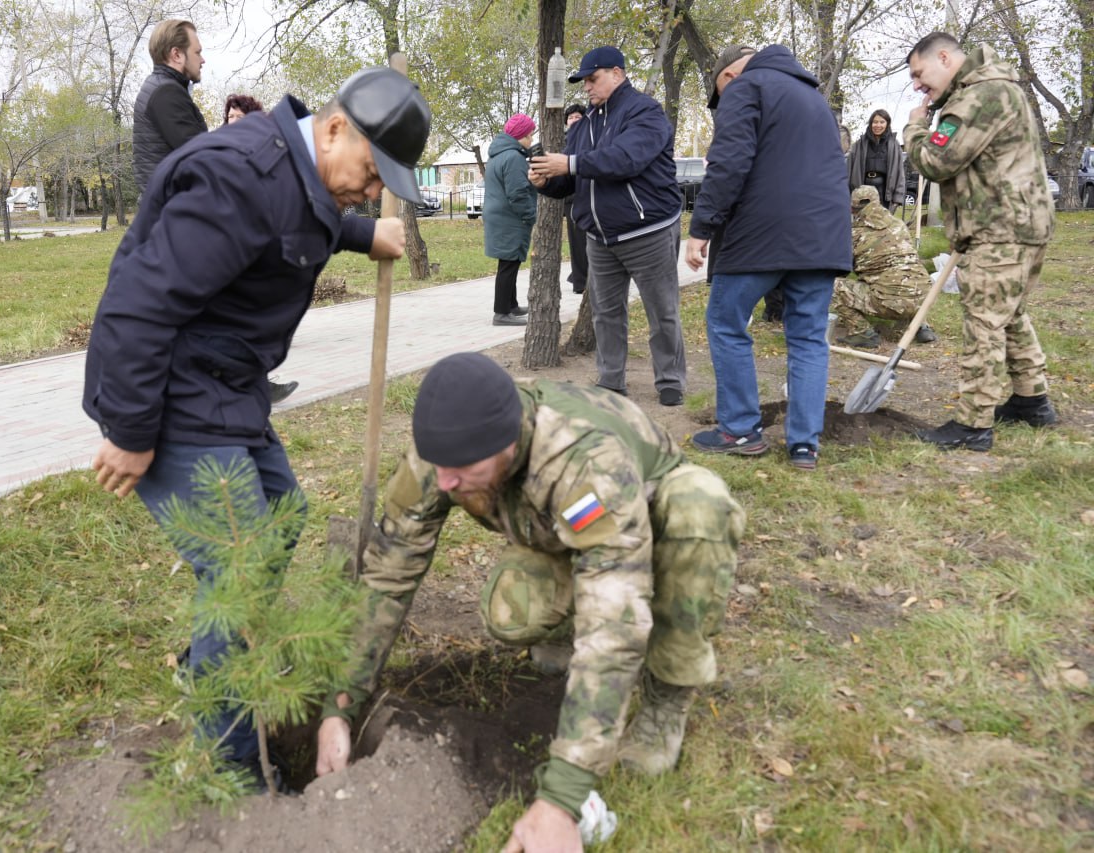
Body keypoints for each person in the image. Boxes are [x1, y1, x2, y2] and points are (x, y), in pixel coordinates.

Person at [85, 67, 431, 782]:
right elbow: (139, 303)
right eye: (371, 174)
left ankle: (213, 659)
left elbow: (299, 219)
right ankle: (230, 763)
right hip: (172, 392)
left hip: (229, 385)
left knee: (282, 512)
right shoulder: (237, 176)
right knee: (236, 568)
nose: (369, 189)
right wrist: (128, 428)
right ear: (334, 127)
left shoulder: (302, 175)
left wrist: (365, 232)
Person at [315, 352, 743, 852]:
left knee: (699, 506)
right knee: (511, 611)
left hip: (648, 510)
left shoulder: (582, 459)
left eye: (461, 471)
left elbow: (614, 624)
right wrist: (338, 707)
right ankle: (563, 627)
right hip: (569, 527)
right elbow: (386, 578)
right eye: (440, 468)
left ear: (510, 444)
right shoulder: (444, 451)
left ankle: (668, 695)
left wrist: (562, 799)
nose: (446, 483)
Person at [684, 44, 851, 472]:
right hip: (821, 239)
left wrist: (702, 228)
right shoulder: (816, 100)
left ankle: (740, 429)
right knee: (809, 338)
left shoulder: (747, 87)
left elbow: (729, 162)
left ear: (727, 77)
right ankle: (803, 446)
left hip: (760, 236)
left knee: (726, 322)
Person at [904, 32, 1058, 451]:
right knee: (1009, 315)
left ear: (944, 57)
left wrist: (915, 129)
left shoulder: (982, 95)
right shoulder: (996, 88)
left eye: (920, 74)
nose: (918, 85)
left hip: (1001, 230)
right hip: (1019, 225)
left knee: (984, 324)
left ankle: (973, 425)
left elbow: (936, 161)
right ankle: (1032, 400)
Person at [529, 46, 688, 407]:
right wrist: (544, 182)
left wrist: (568, 164)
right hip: (600, 238)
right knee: (606, 313)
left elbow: (625, 159)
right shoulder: (583, 126)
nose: (586, 87)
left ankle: (670, 381)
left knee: (662, 311)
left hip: (647, 232)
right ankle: (611, 381)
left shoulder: (645, 112)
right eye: (583, 81)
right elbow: (574, 182)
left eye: (592, 78)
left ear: (617, 73)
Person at [221, 93, 300, 405]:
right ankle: (253, 386)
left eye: (240, 118)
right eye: (230, 118)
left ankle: (256, 384)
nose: (234, 124)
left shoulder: (262, 153)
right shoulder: (220, 151)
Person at [832, 186, 939, 348]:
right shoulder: (899, 225)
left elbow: (841, 268)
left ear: (852, 208)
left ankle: (862, 333)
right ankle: (922, 326)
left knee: (833, 286)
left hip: (892, 300)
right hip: (926, 295)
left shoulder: (854, 234)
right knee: (908, 278)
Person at [132, 19, 207, 192]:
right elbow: (201, 155)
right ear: (176, 55)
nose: (202, 60)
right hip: (172, 210)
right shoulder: (166, 93)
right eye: (197, 52)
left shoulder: (160, 87)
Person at [484, 113, 538, 326]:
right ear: (520, 135)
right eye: (529, 135)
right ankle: (501, 313)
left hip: (499, 215)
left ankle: (511, 305)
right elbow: (517, 193)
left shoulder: (497, 155)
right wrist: (530, 215)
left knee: (510, 261)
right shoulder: (514, 157)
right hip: (509, 217)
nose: (531, 140)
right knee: (508, 264)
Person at [848, 109, 904, 212]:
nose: (878, 125)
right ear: (870, 123)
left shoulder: (894, 145)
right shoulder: (859, 145)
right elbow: (849, 171)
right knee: (863, 224)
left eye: (882, 122)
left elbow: (900, 173)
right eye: (875, 122)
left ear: (887, 124)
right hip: (863, 191)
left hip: (884, 191)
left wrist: (898, 198)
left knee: (882, 224)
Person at [561, 103, 589, 294]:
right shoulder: (562, 142)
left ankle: (587, 277)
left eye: (578, 117)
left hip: (591, 197)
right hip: (572, 199)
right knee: (577, 243)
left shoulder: (591, 139)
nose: (574, 120)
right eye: (571, 118)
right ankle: (580, 281)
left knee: (591, 242)